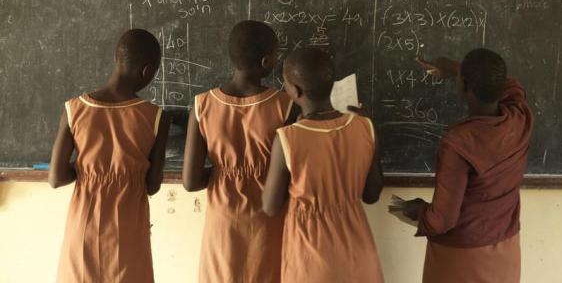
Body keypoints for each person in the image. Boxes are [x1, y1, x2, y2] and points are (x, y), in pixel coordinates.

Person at [398, 49, 533, 283]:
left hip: (462, 258)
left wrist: (419, 212)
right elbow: (511, 85)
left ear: (464, 87)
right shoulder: (519, 118)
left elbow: (442, 220)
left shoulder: (459, 143)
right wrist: (456, 69)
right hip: (504, 250)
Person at [49, 28, 170, 282]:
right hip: (129, 229)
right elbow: (152, 185)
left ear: (117, 60)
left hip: (84, 227)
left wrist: (88, 167)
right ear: (147, 71)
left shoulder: (75, 109)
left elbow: (56, 177)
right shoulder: (155, 116)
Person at [183, 20, 295, 283]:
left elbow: (190, 182)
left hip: (222, 222)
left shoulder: (202, 106)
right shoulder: (286, 106)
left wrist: (225, 172)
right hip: (268, 218)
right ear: (267, 61)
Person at [262, 47, 385, 283]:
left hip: (312, 258)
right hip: (359, 256)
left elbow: (270, 206)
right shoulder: (365, 127)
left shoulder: (288, 138)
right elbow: (371, 195)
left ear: (294, 91)